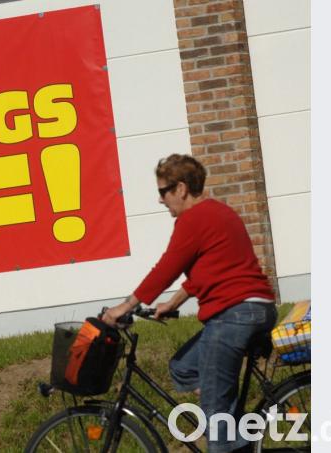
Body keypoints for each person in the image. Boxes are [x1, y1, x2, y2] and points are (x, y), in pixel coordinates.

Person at [100, 154, 277, 453]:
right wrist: (173, 302)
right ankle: (232, 423)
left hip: (233, 315)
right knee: (183, 366)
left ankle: (225, 428)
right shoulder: (219, 212)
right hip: (256, 308)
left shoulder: (193, 219)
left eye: (163, 192)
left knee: (216, 421)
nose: (161, 200)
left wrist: (123, 307)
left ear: (180, 188)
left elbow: (166, 268)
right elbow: (213, 270)